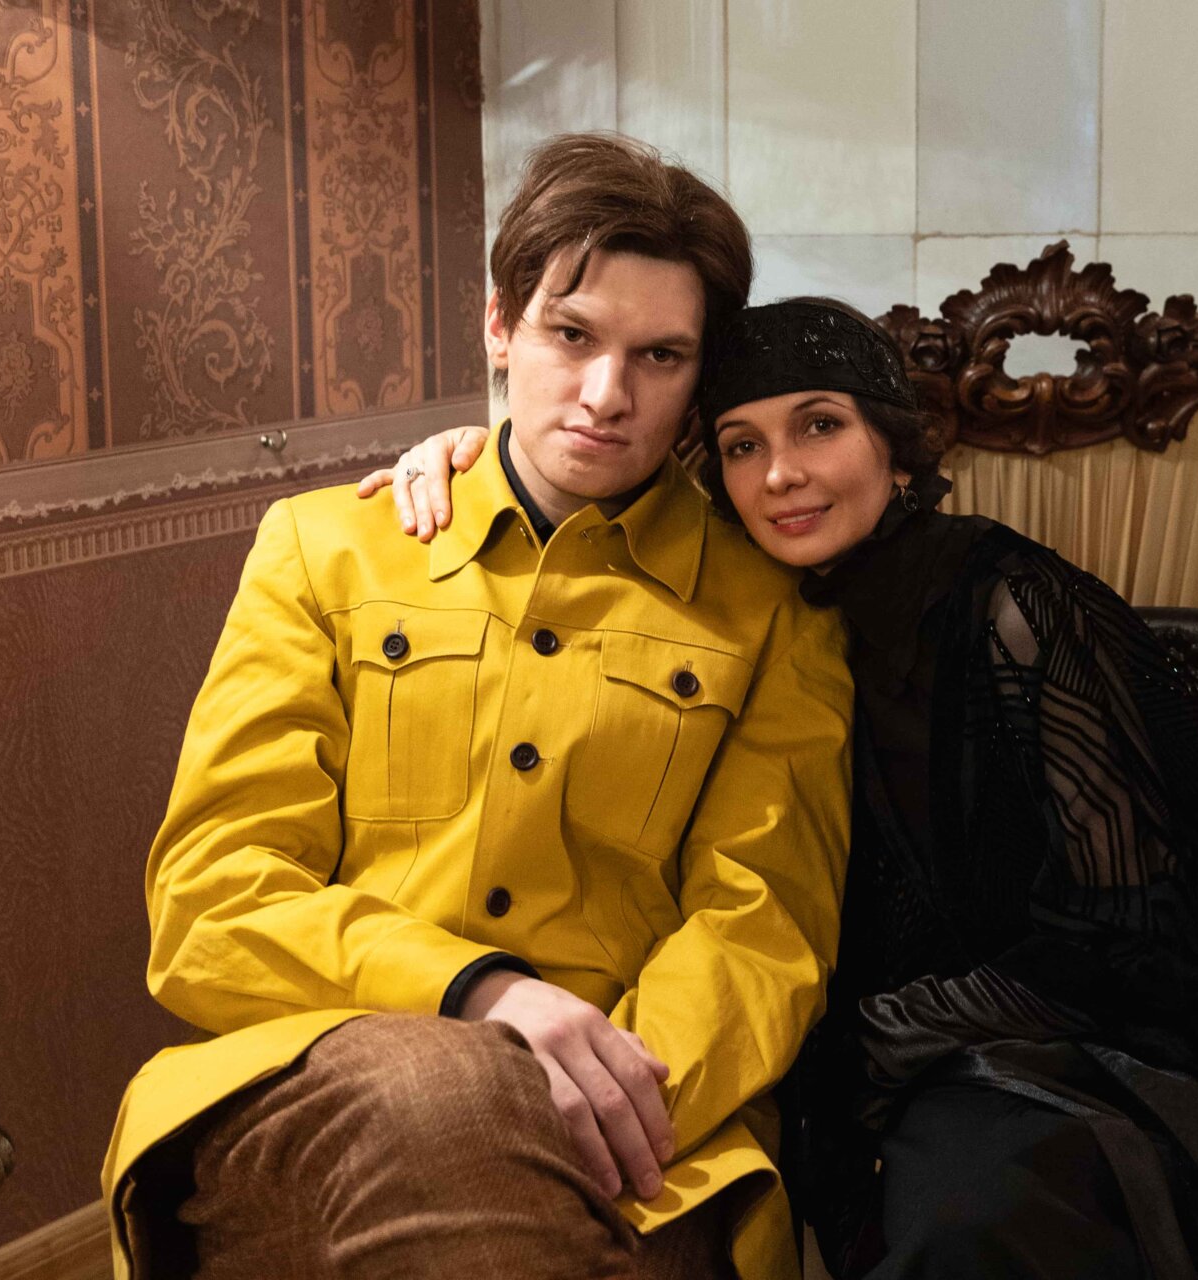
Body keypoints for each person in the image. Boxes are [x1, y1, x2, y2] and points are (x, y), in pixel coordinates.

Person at [364, 297, 1198, 1279]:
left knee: (976, 1223)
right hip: (825, 1037)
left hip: (1084, 1041)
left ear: (895, 447)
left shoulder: (1017, 605)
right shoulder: (744, 609)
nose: (782, 473)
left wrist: (891, 1031)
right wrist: (468, 452)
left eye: (820, 425)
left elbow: (1132, 927)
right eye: (744, 445)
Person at [101, 137, 855, 1280]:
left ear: (701, 377)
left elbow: (762, 926)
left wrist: (608, 1088)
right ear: (501, 326)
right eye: (573, 335)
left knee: (480, 1151)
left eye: (659, 355)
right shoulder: (322, 549)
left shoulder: (772, 612)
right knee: (440, 1097)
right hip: (334, 1066)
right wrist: (477, 992)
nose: (607, 395)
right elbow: (212, 896)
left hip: (650, 1114)